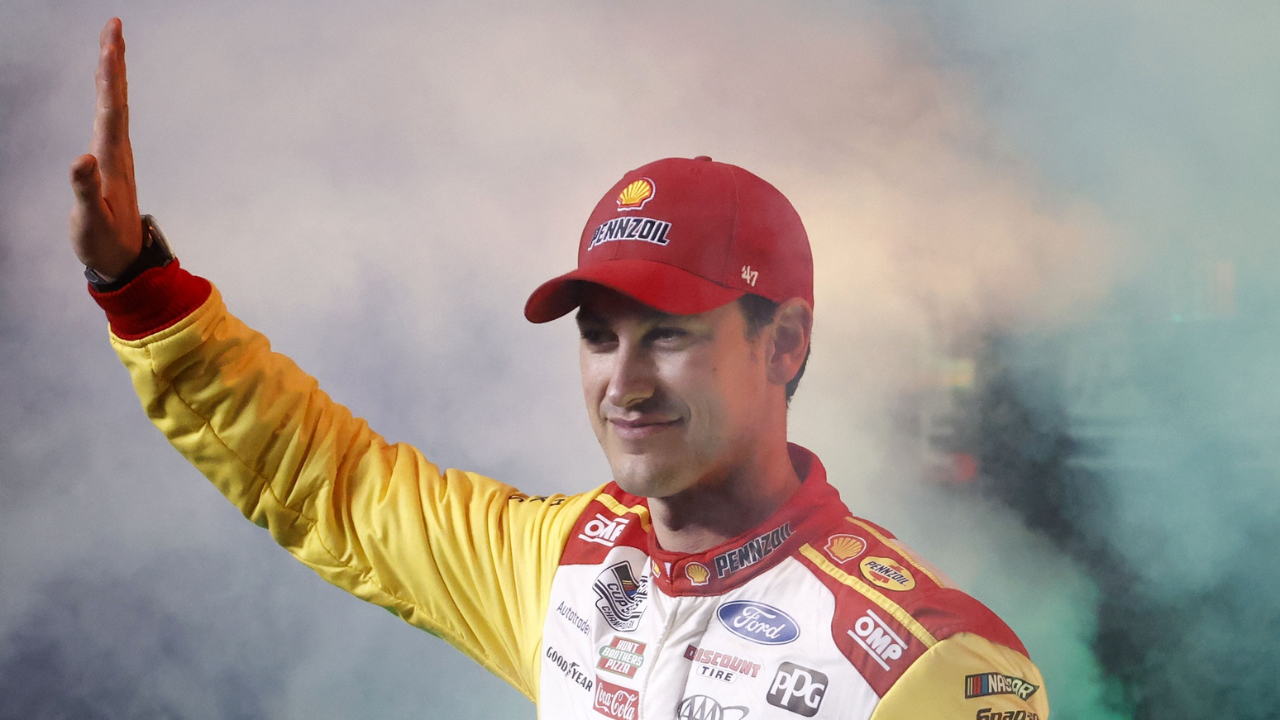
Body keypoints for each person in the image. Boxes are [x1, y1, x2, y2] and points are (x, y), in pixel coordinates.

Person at [70, 18, 1050, 720]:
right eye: (595, 336)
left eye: (666, 333)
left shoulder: (927, 670)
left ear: (784, 342)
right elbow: (330, 485)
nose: (621, 384)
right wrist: (138, 286)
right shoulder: (566, 562)